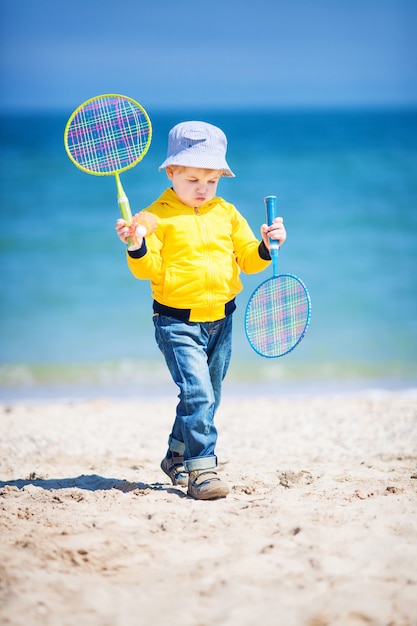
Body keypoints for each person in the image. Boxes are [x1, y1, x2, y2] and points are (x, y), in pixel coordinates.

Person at [115, 121, 286, 500]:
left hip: (221, 320)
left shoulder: (225, 212)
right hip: (176, 321)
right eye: (192, 179)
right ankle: (202, 471)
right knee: (198, 396)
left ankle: (176, 455)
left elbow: (247, 259)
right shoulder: (154, 218)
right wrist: (136, 245)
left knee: (208, 395)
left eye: (210, 181)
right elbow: (146, 270)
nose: (201, 189)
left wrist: (265, 245)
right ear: (171, 172)